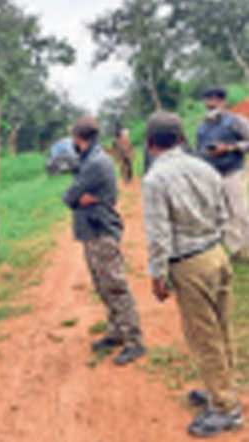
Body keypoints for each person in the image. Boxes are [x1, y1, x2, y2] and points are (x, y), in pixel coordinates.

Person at [143, 112, 242, 437]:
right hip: (217, 254)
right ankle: (223, 388)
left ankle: (226, 408)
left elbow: (158, 234)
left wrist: (157, 274)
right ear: (183, 138)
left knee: (203, 336)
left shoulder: (155, 179)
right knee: (222, 327)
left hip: (189, 264)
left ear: (149, 144)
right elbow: (223, 212)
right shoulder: (205, 167)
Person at [63, 117, 145, 365]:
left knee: (115, 285)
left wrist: (78, 198)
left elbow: (69, 196)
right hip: (92, 231)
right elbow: (78, 195)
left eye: (73, 138)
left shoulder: (95, 163)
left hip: (101, 231)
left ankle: (134, 340)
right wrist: (80, 198)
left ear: (78, 138)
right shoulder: (91, 159)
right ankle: (117, 331)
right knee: (102, 284)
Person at [197, 86, 249, 260]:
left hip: (233, 171)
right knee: (224, 215)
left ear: (222, 102)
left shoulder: (236, 121)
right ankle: (236, 249)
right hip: (213, 175)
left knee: (240, 212)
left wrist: (229, 148)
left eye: (215, 100)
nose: (210, 103)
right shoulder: (202, 128)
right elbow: (199, 151)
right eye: (208, 100)